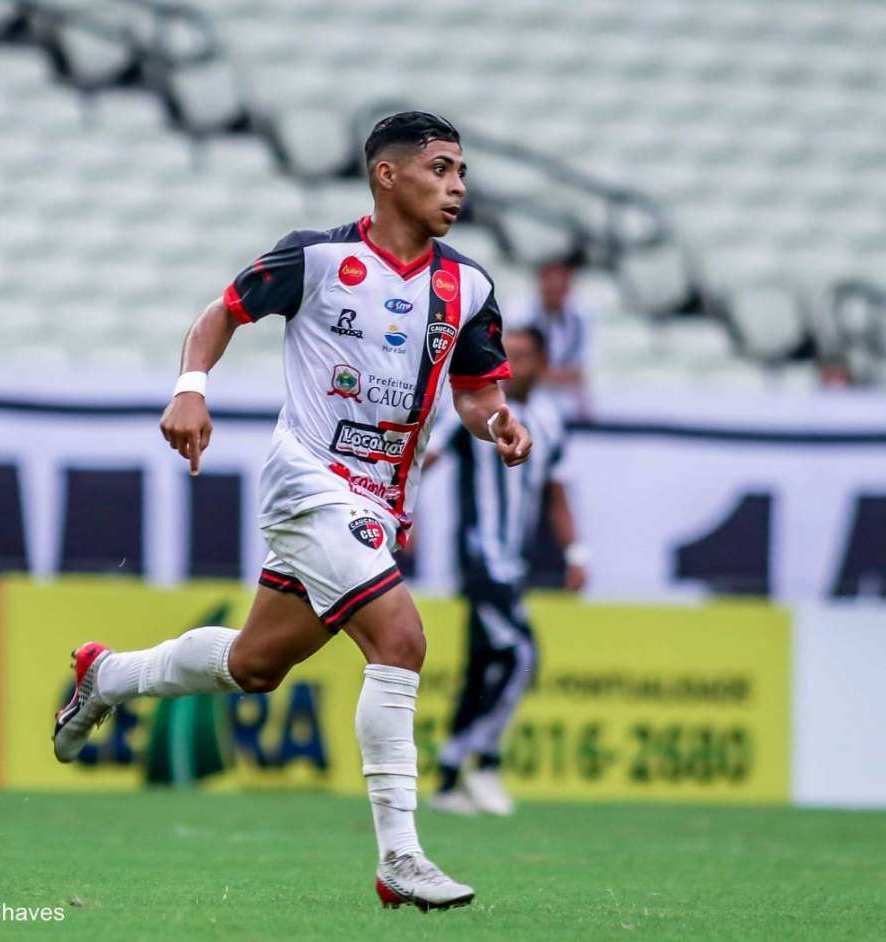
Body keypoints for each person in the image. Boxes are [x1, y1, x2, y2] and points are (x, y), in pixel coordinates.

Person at [50, 112, 532, 911]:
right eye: (442, 169)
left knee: (255, 665)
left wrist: (498, 423)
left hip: (379, 501)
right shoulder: (317, 257)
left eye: (462, 173)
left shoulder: (469, 285)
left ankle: (104, 676)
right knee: (401, 640)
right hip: (307, 479)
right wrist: (190, 389)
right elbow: (220, 314)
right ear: (388, 175)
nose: (456, 187)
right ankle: (401, 856)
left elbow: (478, 392)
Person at [423, 326, 587, 817]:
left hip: (513, 561)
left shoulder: (550, 420)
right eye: (507, 355)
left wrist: (576, 552)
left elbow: (557, 490)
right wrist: (399, 512)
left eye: (523, 356)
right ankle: (487, 762)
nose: (513, 365)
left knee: (482, 666)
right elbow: (425, 459)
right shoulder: (475, 409)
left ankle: (449, 780)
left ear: (542, 363)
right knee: (521, 654)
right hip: (480, 558)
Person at [507, 249, 590, 416]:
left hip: (561, 402)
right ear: (541, 281)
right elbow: (514, 369)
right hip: (521, 400)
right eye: (551, 280)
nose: (557, 286)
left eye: (563, 281)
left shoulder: (580, 317)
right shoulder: (518, 313)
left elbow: (579, 374)